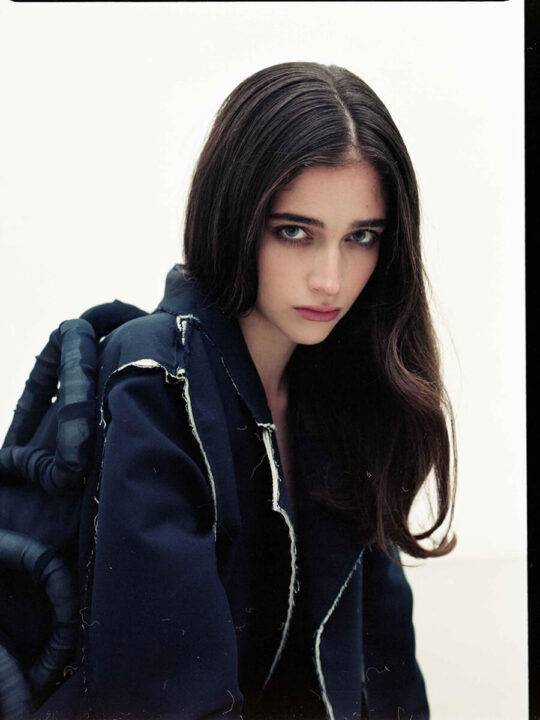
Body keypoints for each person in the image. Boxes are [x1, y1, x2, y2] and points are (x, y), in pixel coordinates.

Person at [0, 61, 456, 720]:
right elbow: (165, 695)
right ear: (234, 216)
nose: (330, 279)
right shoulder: (157, 380)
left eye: (361, 237)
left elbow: (384, 680)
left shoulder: (347, 397)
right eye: (294, 232)